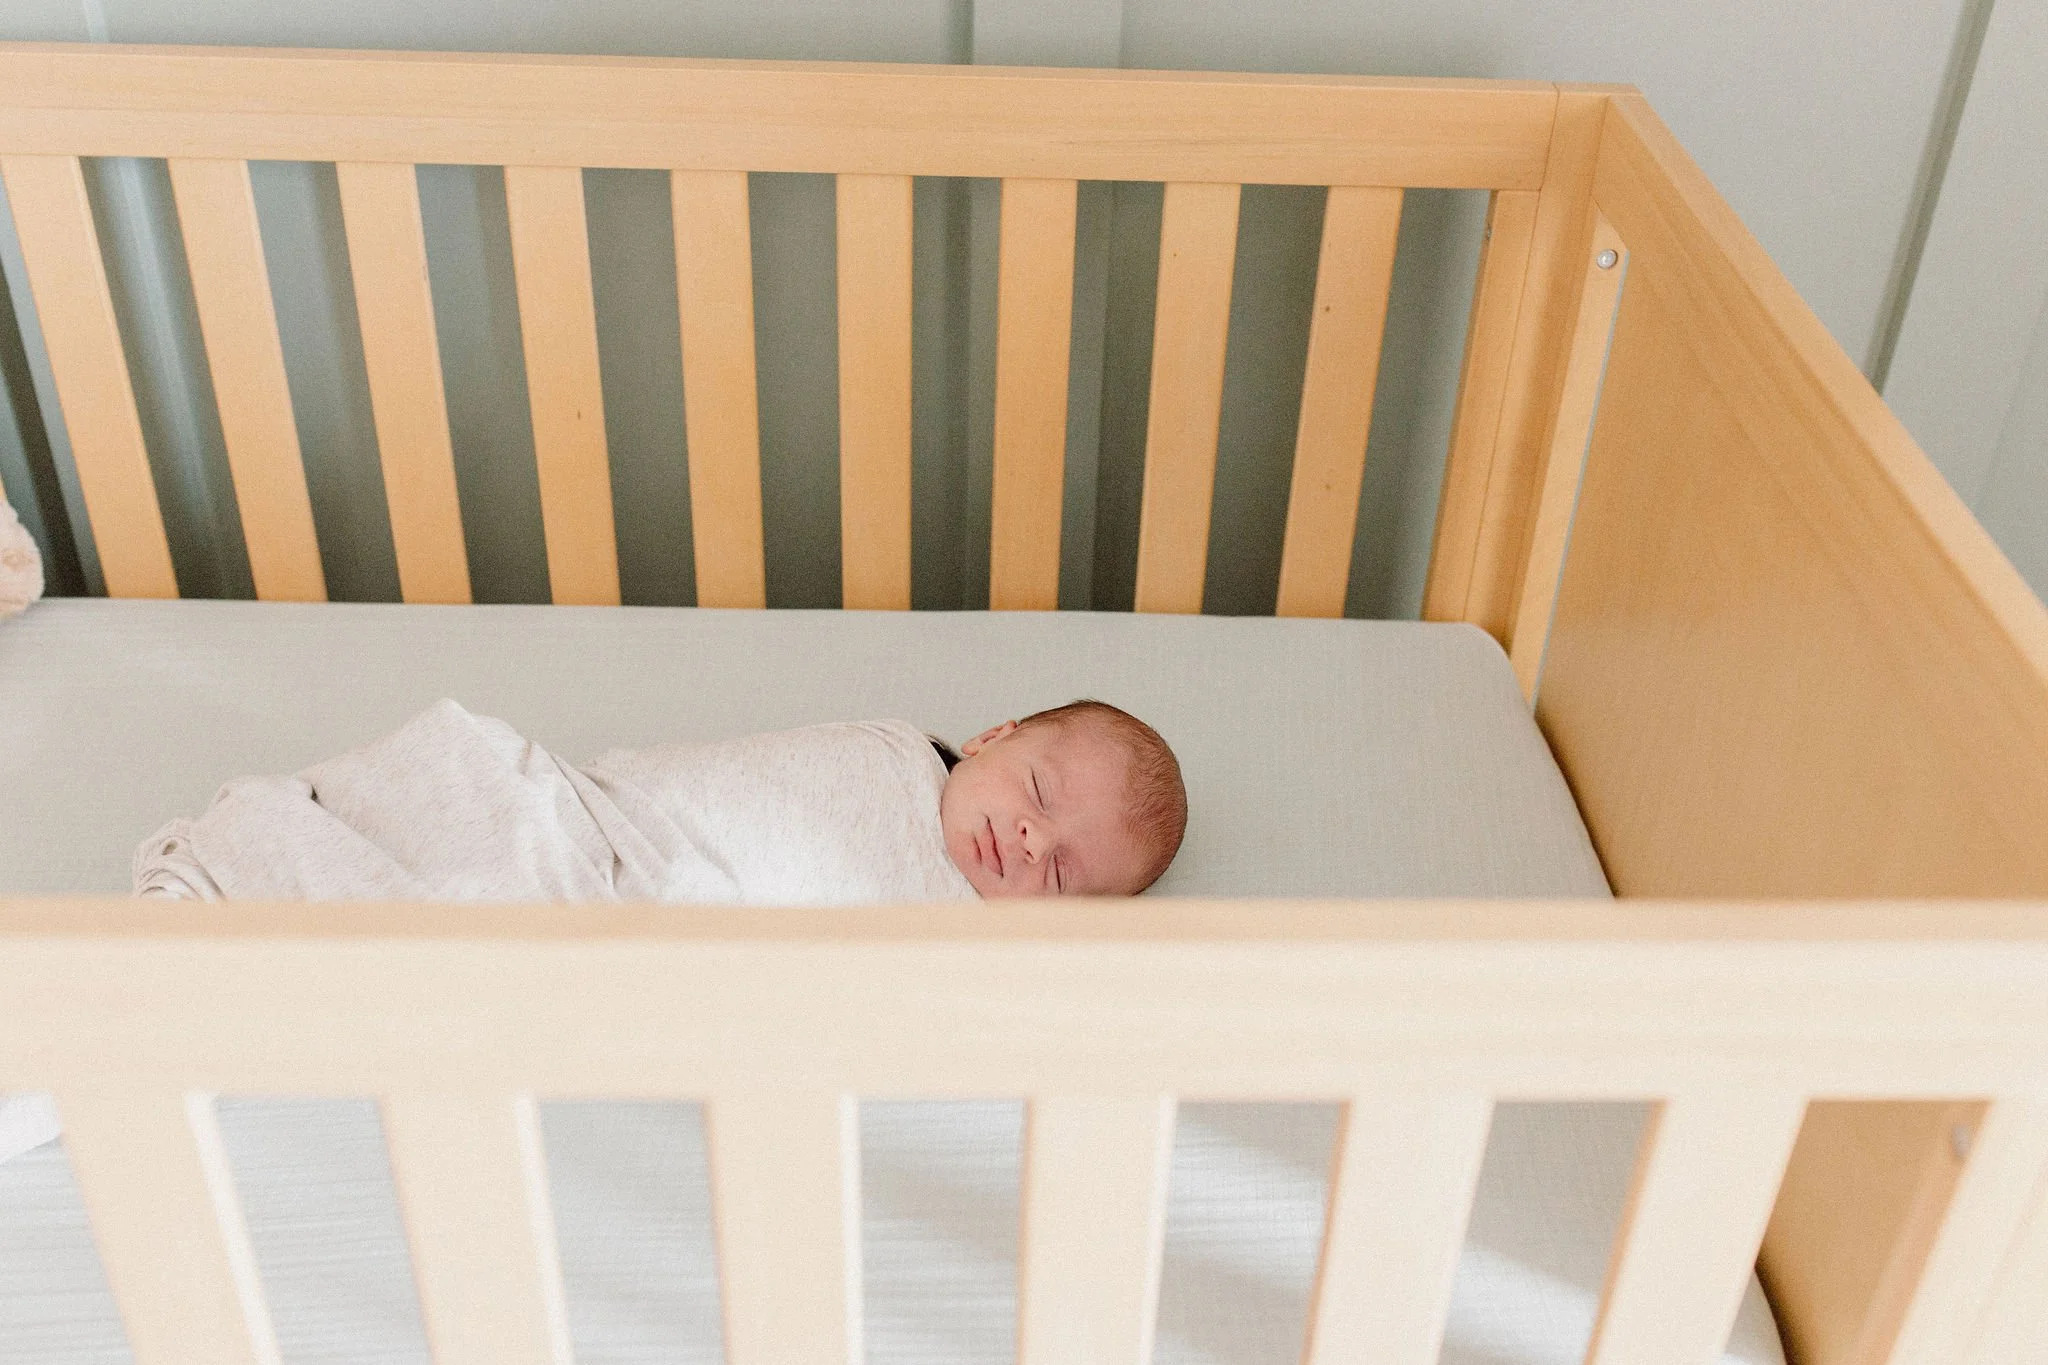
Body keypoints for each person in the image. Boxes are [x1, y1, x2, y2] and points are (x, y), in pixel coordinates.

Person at [133, 698, 1186, 903]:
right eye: (1038, 794)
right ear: (992, 735)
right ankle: (221, 885)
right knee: (473, 846)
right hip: (587, 826)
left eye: (1061, 870)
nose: (1025, 840)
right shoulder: (891, 756)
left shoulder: (964, 932)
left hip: (633, 916)